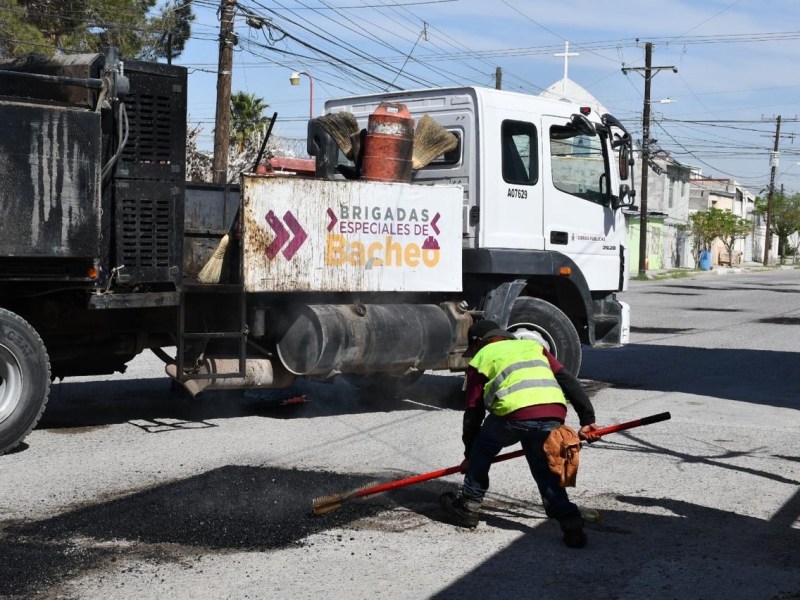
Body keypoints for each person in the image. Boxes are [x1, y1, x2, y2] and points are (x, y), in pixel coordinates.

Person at [440, 319, 601, 548]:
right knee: (545, 473)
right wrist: (587, 420)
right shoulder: (534, 347)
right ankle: (571, 524)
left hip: (514, 417)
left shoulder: (482, 357)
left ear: (478, 342)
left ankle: (469, 505)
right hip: (553, 414)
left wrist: (470, 453)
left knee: (482, 449)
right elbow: (567, 380)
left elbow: (474, 412)